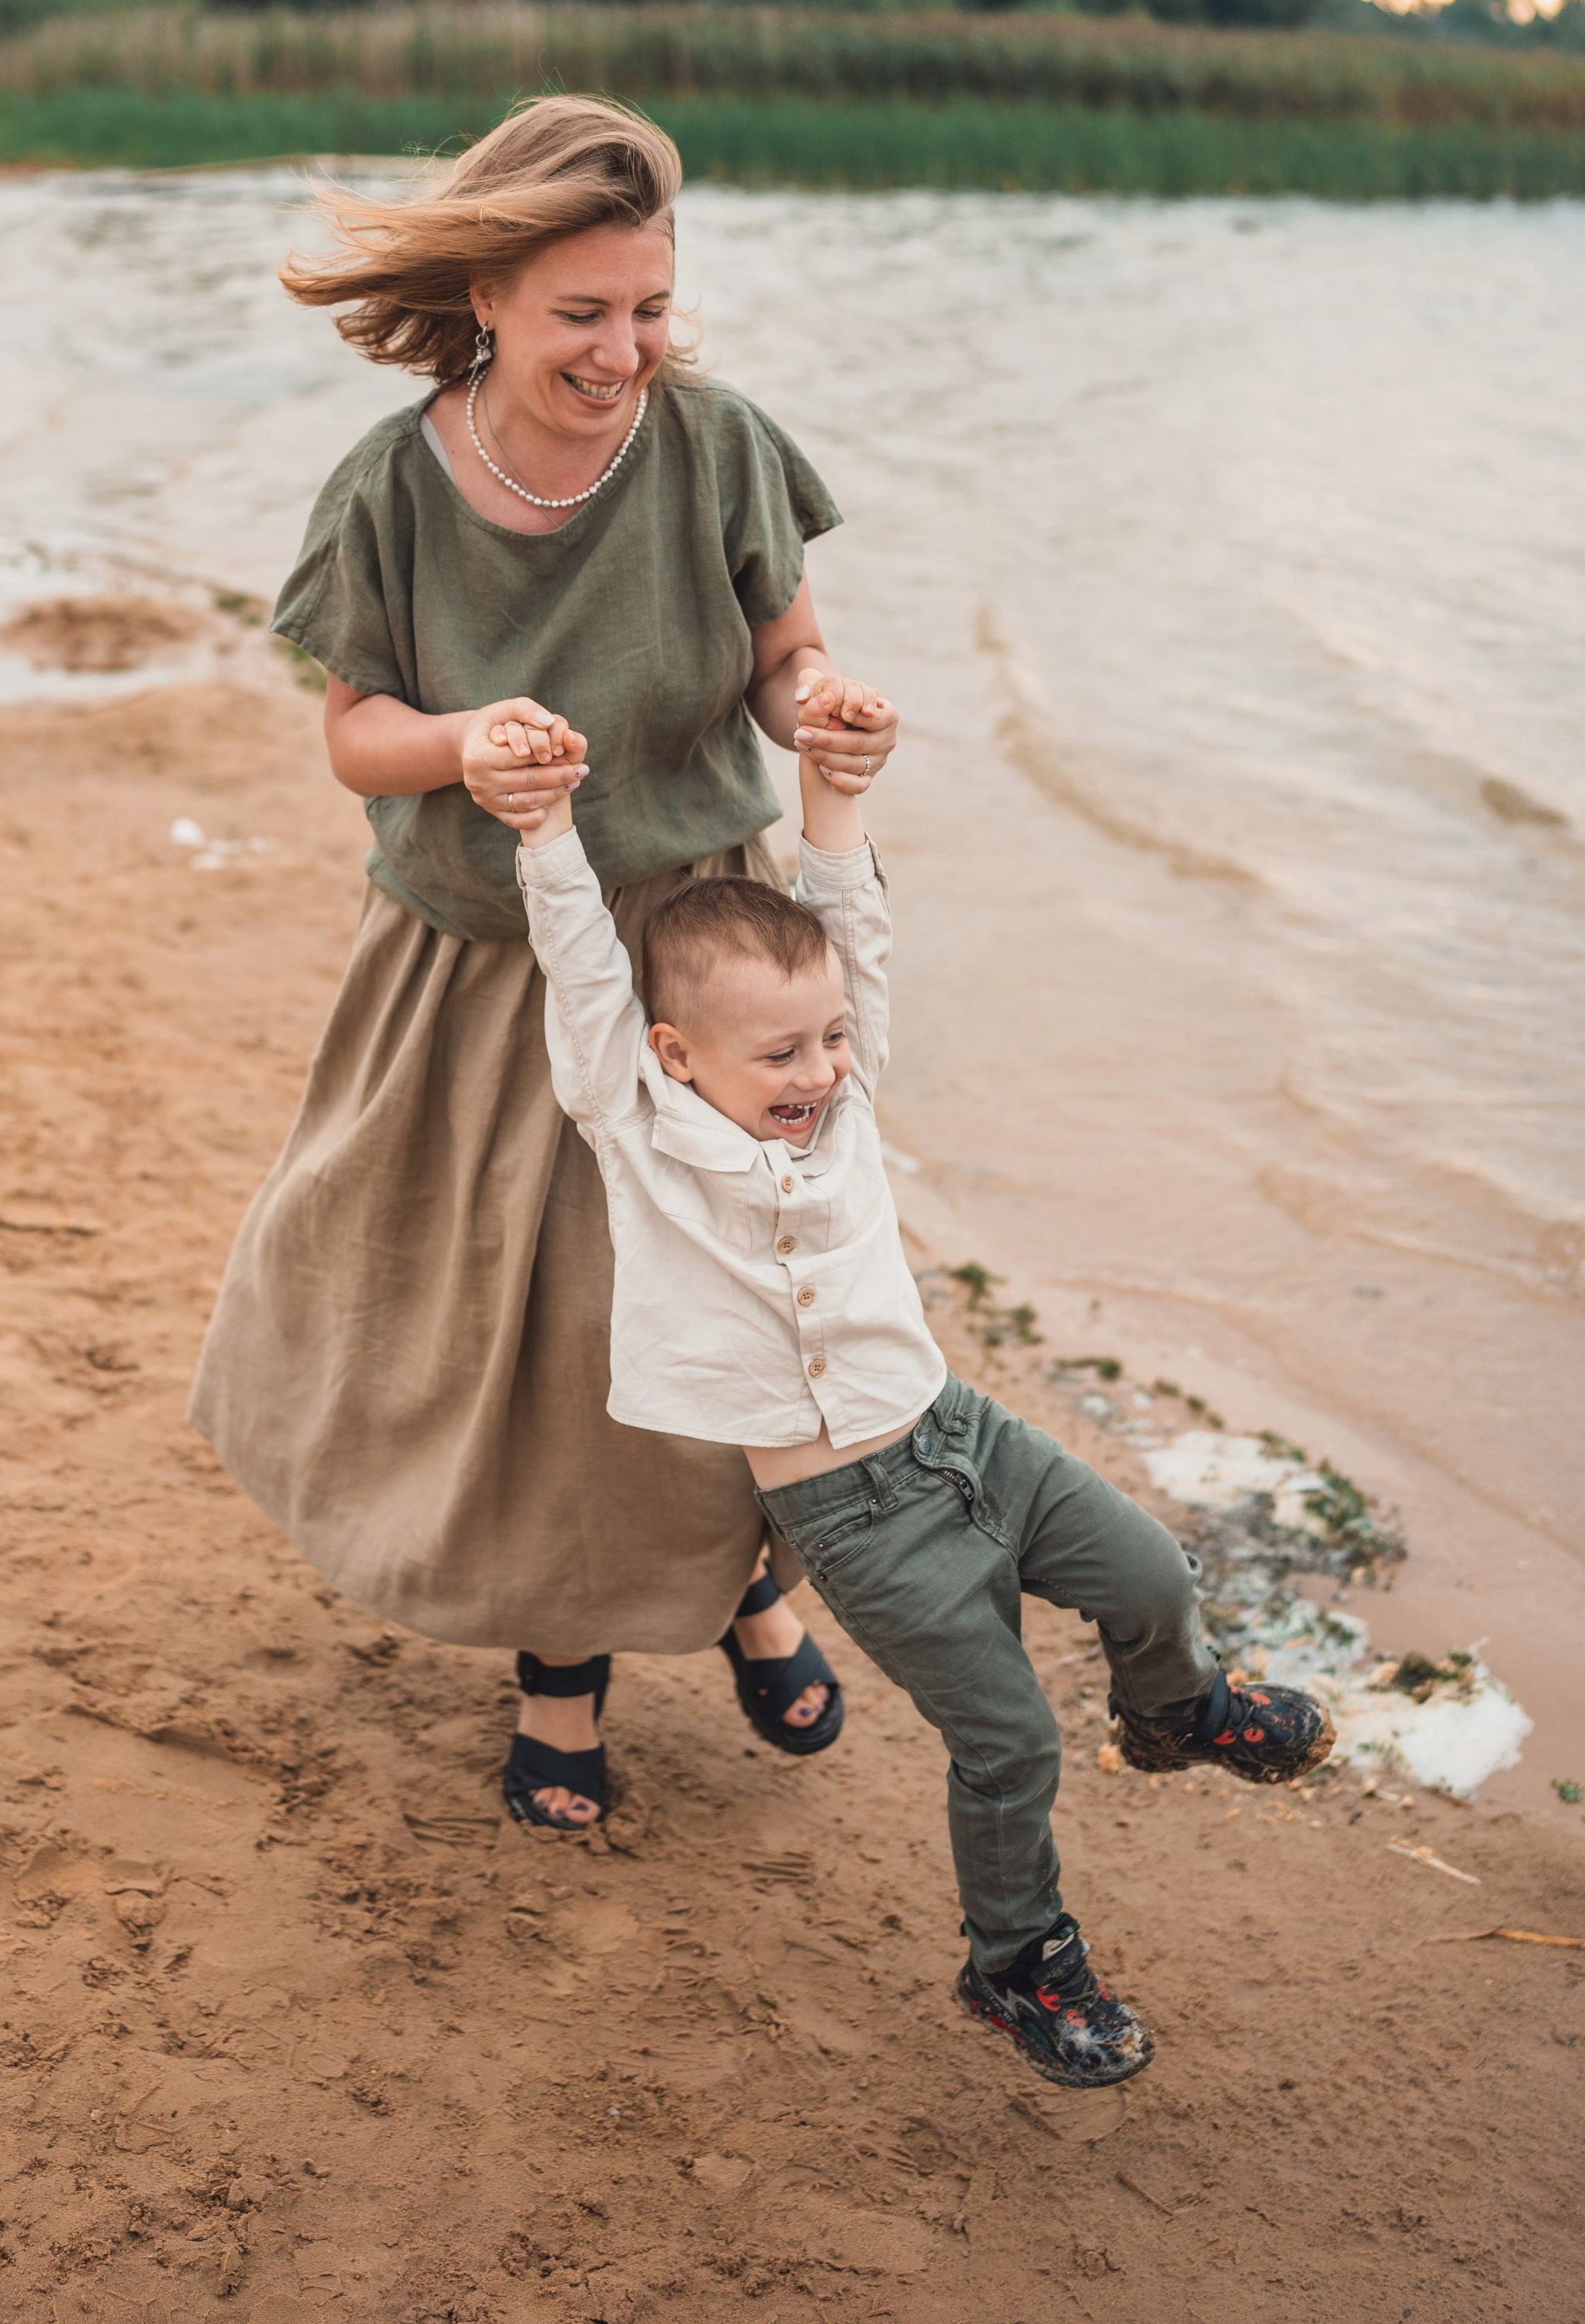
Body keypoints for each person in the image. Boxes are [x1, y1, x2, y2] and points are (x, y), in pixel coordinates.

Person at [191, 95, 899, 1830]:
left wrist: (828, 717)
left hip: (707, 967)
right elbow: (355, 734)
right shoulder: (386, 488)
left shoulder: (719, 444)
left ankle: (737, 1585)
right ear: (491, 295)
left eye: (647, 308)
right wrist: (462, 752)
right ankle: (569, 1662)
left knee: (749, 1297)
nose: (623, 350)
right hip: (487, 968)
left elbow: (777, 653)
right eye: (583, 314)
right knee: (541, 1327)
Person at [512, 677, 1334, 2088]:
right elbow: (585, 970)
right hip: (852, 1513)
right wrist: (541, 829)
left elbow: (853, 930)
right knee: (1007, 1739)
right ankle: (1016, 1964)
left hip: (970, 1436)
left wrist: (837, 790)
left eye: (829, 1042)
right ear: (673, 1059)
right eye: (780, 1054)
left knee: (1151, 1577)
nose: (821, 1072)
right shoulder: (635, 1130)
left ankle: (1174, 1709)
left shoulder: (848, 1088)